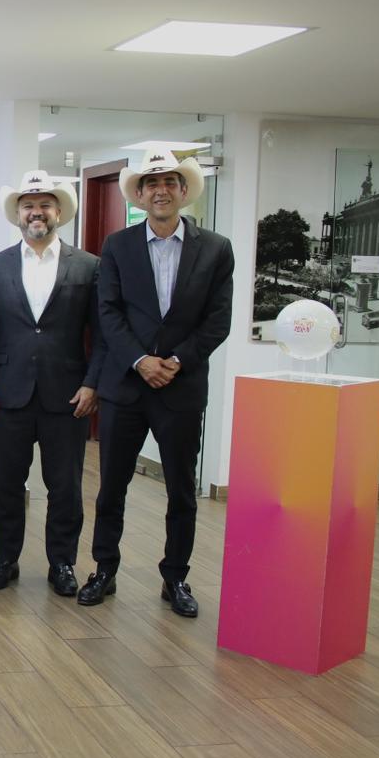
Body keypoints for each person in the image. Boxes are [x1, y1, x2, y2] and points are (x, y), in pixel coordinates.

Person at [79, 145, 234, 618]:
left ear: (184, 191)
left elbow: (218, 320)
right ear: (140, 195)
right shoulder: (117, 245)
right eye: (152, 183)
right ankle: (104, 569)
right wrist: (140, 360)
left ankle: (176, 577)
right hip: (125, 387)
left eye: (169, 182)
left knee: (181, 490)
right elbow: (108, 313)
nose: (161, 190)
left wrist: (177, 361)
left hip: (181, 389)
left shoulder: (216, 249)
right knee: (112, 487)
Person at [0, 171, 107, 597]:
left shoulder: (88, 266)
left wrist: (93, 384)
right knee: (6, 485)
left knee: (65, 487)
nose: (36, 212)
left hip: (69, 395)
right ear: (17, 214)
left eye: (45, 204)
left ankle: (62, 563)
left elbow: (103, 335)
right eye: (28, 205)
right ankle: (4, 559)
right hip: (7, 394)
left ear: (59, 211)